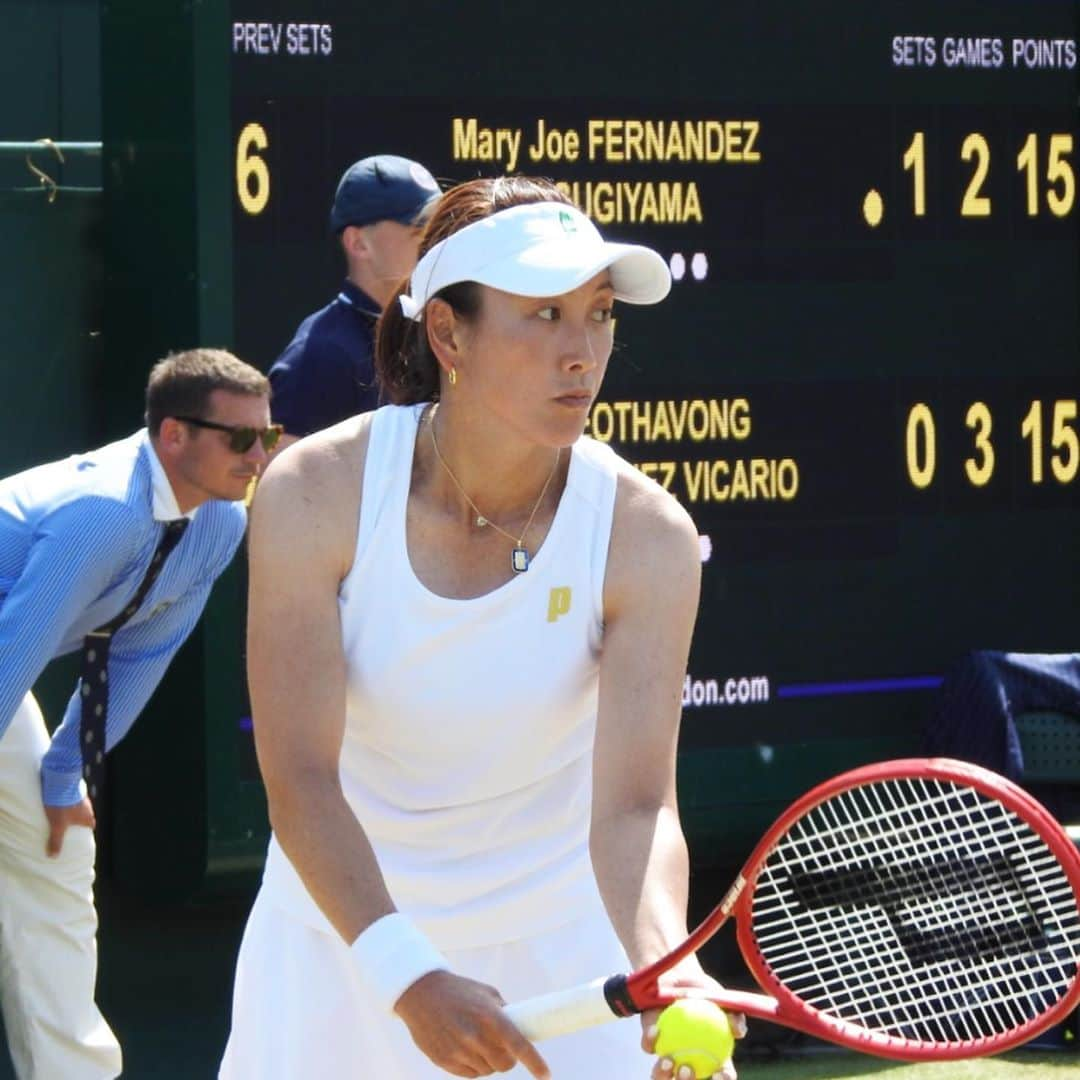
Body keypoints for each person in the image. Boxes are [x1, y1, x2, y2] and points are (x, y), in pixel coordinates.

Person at [220, 178, 743, 1080]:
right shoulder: (316, 493)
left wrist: (671, 967)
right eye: (543, 315)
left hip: (562, 953)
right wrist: (407, 974)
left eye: (601, 313)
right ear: (449, 333)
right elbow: (299, 778)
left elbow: (635, 805)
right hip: (338, 947)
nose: (583, 353)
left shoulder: (645, 533)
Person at [0, 348, 277, 1079]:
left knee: (58, 851)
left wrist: (64, 776)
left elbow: (140, 655)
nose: (258, 457)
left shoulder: (219, 526)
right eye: (239, 439)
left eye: (267, 437)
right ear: (173, 437)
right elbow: (15, 648)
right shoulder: (101, 514)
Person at [268, 153, 441, 453]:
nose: (434, 240)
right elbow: (282, 481)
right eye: (419, 230)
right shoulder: (319, 355)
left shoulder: (432, 332)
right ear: (358, 243)